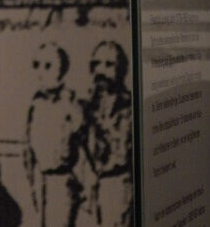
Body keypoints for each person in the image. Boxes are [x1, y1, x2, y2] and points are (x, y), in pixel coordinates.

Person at [24, 43, 83, 227]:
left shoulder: (70, 102)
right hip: (39, 179)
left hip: (62, 180)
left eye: (48, 66)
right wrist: (30, 181)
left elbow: (81, 139)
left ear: (62, 70)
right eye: (37, 65)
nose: (41, 72)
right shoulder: (35, 104)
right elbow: (28, 145)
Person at [76, 41, 133, 227]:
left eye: (109, 65)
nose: (101, 70)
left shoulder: (129, 107)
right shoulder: (86, 107)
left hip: (118, 185)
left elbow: (122, 153)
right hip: (89, 188)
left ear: (121, 70)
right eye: (96, 64)